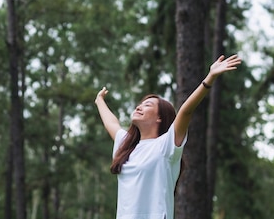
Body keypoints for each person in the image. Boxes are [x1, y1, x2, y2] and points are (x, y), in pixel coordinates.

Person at [94, 54, 242, 219]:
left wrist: (209, 78)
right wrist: (99, 100)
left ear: (159, 118)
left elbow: (186, 111)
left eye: (147, 105)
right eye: (140, 104)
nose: (139, 107)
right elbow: (111, 123)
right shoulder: (125, 146)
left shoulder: (166, 146)